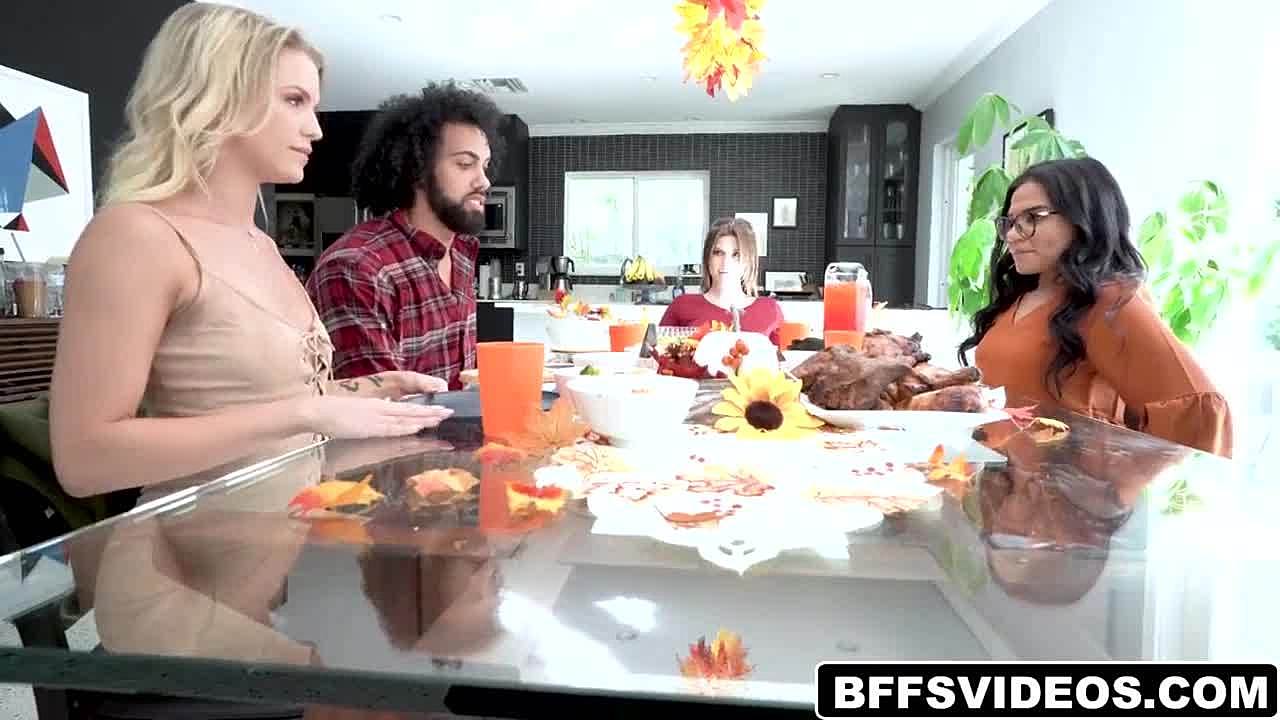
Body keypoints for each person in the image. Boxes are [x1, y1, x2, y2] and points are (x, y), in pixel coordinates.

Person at [49, 3, 454, 506]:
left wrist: (375, 387)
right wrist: (307, 413)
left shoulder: (261, 245)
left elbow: (261, 403)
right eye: (294, 100)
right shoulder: (135, 236)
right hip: (178, 552)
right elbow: (85, 460)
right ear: (219, 98)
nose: (316, 129)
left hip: (284, 546)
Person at [958, 157, 1231, 457]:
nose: (1012, 234)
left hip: (1066, 483)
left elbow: (1196, 409)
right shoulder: (1017, 299)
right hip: (996, 475)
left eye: (1033, 217)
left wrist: (1128, 478)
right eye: (1010, 222)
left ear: (1084, 219)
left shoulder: (1109, 301)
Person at [306, 83, 503, 390]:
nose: (484, 181)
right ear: (416, 171)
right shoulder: (357, 268)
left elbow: (457, 386)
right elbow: (374, 408)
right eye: (465, 164)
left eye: (485, 165)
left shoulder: (462, 253)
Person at [659, 217, 784, 344]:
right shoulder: (682, 305)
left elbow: (781, 356)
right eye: (718, 253)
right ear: (707, 258)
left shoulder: (770, 309)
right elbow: (659, 353)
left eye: (736, 254)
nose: (726, 262)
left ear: (749, 260)